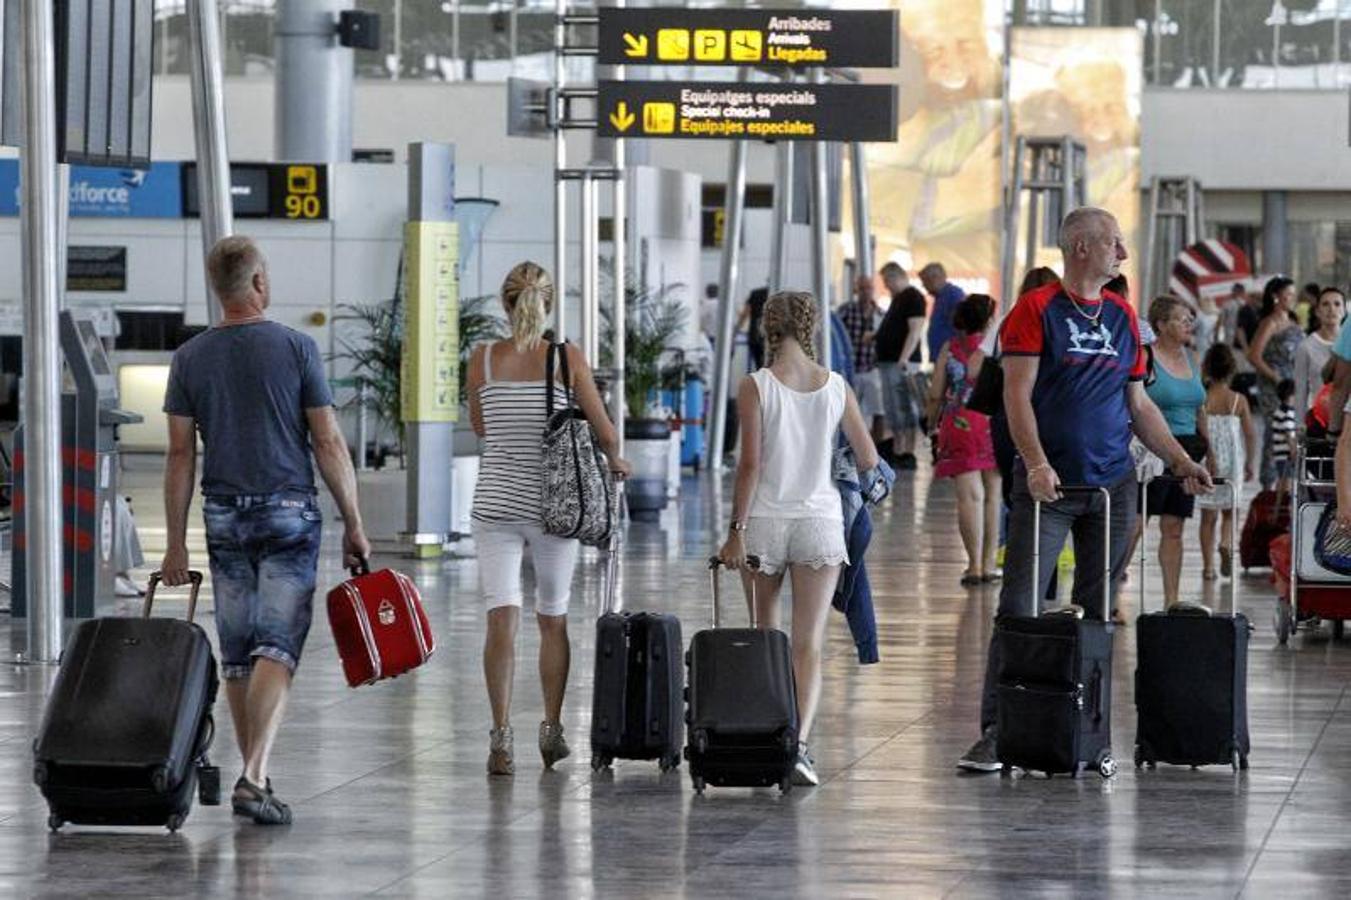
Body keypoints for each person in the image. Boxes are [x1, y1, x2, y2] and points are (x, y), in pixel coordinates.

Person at [957, 208, 1211, 773]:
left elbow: (1138, 405)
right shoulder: (1035, 311)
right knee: (1020, 606)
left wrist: (1181, 460)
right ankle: (999, 732)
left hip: (1110, 488)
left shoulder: (1123, 317)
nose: (1122, 253)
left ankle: (1085, 727)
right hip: (1048, 487)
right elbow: (1015, 398)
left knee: (1098, 612)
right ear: (1080, 247)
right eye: (1113, 243)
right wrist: (1036, 463)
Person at [160, 235, 371, 825]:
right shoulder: (297, 348)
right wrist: (354, 522)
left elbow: (181, 456)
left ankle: (256, 770)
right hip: (287, 514)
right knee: (276, 645)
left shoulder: (190, 357)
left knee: (237, 654)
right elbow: (327, 441)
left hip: (223, 514)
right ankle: (253, 776)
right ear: (259, 284)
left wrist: (176, 541)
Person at [466, 262, 631, 777]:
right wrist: (617, 459)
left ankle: (500, 738)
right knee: (552, 618)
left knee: (502, 617)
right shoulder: (566, 359)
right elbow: (603, 431)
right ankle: (551, 731)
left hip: (494, 505)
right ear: (549, 302)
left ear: (504, 302)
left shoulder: (483, 359)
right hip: (553, 507)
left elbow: (479, 425)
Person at [717, 291, 879, 787]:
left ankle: (767, 735)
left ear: (769, 326)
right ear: (810, 327)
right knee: (808, 643)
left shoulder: (756, 385)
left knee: (767, 633)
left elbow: (750, 465)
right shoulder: (836, 387)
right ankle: (799, 746)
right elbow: (870, 458)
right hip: (820, 522)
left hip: (765, 520)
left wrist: (734, 533)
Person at [1139, 296, 1209, 609]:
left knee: (1175, 526)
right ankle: (1107, 594)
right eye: (1181, 319)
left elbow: (1200, 409)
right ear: (1161, 325)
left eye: (1189, 318)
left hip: (1188, 448)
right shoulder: (1146, 357)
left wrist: (1210, 453)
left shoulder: (1191, 358)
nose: (1188, 324)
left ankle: (1171, 599)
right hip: (1152, 448)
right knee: (1137, 522)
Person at [926, 294, 1000, 585]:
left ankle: (974, 566)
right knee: (993, 496)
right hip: (993, 421)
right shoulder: (997, 346)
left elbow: (935, 394)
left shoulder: (951, 348)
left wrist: (931, 423)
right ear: (989, 319)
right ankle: (990, 563)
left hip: (958, 423)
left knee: (970, 498)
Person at [1197, 344, 1258, 580]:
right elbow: (1251, 434)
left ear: (1207, 368)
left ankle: (1208, 567)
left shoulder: (1202, 398)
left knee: (1207, 516)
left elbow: (1199, 429)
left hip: (1208, 458)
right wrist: (1250, 462)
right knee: (1231, 510)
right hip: (1233, 458)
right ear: (1232, 370)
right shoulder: (1238, 400)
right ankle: (1225, 542)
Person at [1248, 276, 1303, 488]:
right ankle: (1268, 484)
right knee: (1276, 430)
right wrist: (1276, 377)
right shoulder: (1269, 322)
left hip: (1292, 385)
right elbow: (1254, 355)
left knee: (1291, 430)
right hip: (1273, 386)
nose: (1292, 298)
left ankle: (1286, 480)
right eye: (1288, 294)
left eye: (1293, 294)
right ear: (1276, 297)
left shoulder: (1294, 321)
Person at [874, 263, 927, 470]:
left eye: (887, 281)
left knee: (904, 406)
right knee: (892, 408)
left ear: (897, 277)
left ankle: (908, 450)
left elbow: (915, 331)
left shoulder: (913, 297)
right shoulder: (898, 299)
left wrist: (903, 359)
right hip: (890, 362)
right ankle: (898, 448)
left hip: (901, 363)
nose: (887, 286)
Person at [838, 276, 889, 451]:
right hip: (851, 370)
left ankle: (877, 449)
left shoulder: (880, 315)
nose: (866, 292)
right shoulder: (846, 311)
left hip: (871, 368)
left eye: (869, 288)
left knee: (878, 410)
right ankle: (847, 448)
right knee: (848, 410)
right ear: (856, 290)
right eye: (862, 289)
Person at [1294, 287, 1345, 417]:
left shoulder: (1348, 344)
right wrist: (1299, 425)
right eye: (1325, 304)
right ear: (1317, 311)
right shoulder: (1305, 347)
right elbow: (1300, 391)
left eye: (1337, 304)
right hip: (1318, 421)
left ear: (1344, 311)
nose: (1332, 309)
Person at [921, 262, 966, 364]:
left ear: (935, 278)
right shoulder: (939, 297)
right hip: (941, 357)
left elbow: (962, 327)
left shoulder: (953, 295)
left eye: (925, 281)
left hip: (950, 357)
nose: (923, 285)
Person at [1270, 378, 1298, 495]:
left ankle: (1278, 502)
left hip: (1278, 453)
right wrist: (1294, 451)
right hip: (1285, 455)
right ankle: (1283, 504)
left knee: (1281, 479)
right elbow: (1288, 434)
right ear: (1290, 395)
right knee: (1286, 482)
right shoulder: (1288, 413)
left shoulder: (1278, 411)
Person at [737, 286, 770, 371]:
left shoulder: (755, 293)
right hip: (772, 337)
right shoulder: (779, 295)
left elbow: (745, 314)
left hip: (755, 335)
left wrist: (736, 329)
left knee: (759, 364)